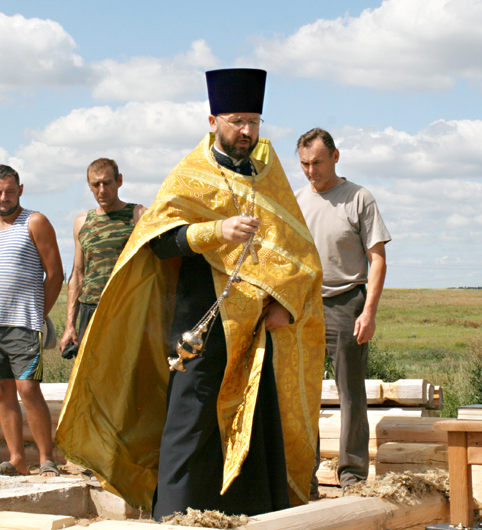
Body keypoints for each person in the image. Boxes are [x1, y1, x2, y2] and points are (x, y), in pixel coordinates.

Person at [56, 68, 325, 517]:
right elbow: (159, 242)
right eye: (237, 121)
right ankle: (175, 514)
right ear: (213, 121)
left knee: (256, 415)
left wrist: (285, 302)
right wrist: (215, 231)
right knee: (191, 414)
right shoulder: (190, 173)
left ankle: (255, 513)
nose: (246, 131)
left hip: (257, 325)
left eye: (253, 122)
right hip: (203, 317)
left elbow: (300, 253)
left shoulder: (268, 175)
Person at [294, 128, 390, 490]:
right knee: (303, 393)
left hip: (347, 302)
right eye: (305, 163)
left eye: (317, 162)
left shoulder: (359, 198)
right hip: (304, 305)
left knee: (350, 394)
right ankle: (303, 478)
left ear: (335, 157)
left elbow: (377, 259)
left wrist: (369, 312)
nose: (311, 170)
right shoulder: (296, 200)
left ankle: (352, 477)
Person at [0, 165, 64, 477]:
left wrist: (39, 313)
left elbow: (55, 274)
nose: (4, 197)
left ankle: (47, 459)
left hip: (24, 323)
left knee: (28, 388)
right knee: (1, 390)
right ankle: (16, 460)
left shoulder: (35, 222)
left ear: (20, 190)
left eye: (10, 191)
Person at [58, 158, 144, 356]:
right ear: (89, 186)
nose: (102, 190)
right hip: (90, 311)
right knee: (89, 371)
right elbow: (77, 274)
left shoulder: (137, 215)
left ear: (119, 181)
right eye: (96, 185)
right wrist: (70, 325)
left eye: (107, 183)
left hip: (126, 309)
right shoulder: (82, 222)